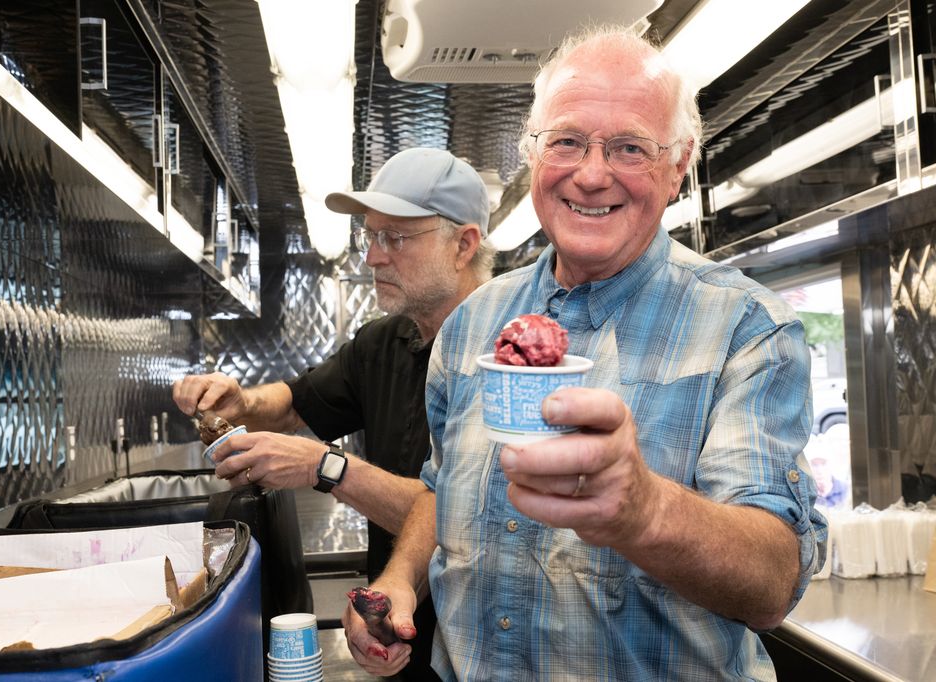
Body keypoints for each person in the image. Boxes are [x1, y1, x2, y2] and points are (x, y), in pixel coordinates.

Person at [342, 26, 829, 681]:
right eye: (567, 141)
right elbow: (441, 488)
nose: (592, 174)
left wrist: (645, 510)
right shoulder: (471, 326)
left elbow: (773, 581)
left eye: (630, 147)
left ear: (678, 164)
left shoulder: (747, 329)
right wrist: (401, 581)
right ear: (532, 155)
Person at [172, 147, 494, 681]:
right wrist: (243, 402)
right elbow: (298, 402)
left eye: (395, 237)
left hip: (478, 649)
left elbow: (458, 512)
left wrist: (327, 467)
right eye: (370, 236)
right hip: (393, 628)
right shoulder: (385, 342)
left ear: (463, 244)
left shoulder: (510, 360)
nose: (372, 257)